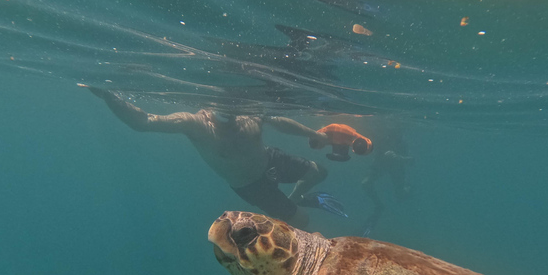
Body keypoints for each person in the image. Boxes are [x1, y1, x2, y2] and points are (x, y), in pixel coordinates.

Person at [79, 84, 346, 228]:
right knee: (302, 221)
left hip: (270, 159)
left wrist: (317, 135)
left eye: (232, 107)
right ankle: (292, 212)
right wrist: (108, 95)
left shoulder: (249, 111)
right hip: (251, 186)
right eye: (222, 110)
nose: (228, 114)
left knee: (319, 171)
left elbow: (279, 121)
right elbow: (144, 121)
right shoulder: (195, 124)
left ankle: (295, 198)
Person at [359, 123, 413, 236]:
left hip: (396, 167)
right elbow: (373, 151)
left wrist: (398, 158)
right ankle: (379, 205)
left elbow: (412, 160)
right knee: (365, 183)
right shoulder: (382, 138)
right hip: (380, 165)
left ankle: (410, 188)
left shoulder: (403, 143)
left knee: (401, 195)